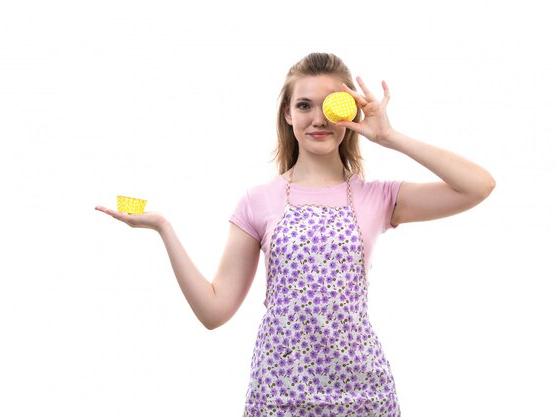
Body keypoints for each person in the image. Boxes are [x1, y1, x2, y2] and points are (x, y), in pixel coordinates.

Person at [95, 52, 495, 417]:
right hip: (278, 396)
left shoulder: (379, 197)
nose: (318, 119)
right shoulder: (258, 201)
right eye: (304, 105)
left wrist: (389, 136)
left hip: (364, 396)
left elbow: (477, 186)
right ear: (287, 113)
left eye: (330, 106)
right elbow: (214, 312)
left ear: (350, 114)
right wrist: (164, 228)